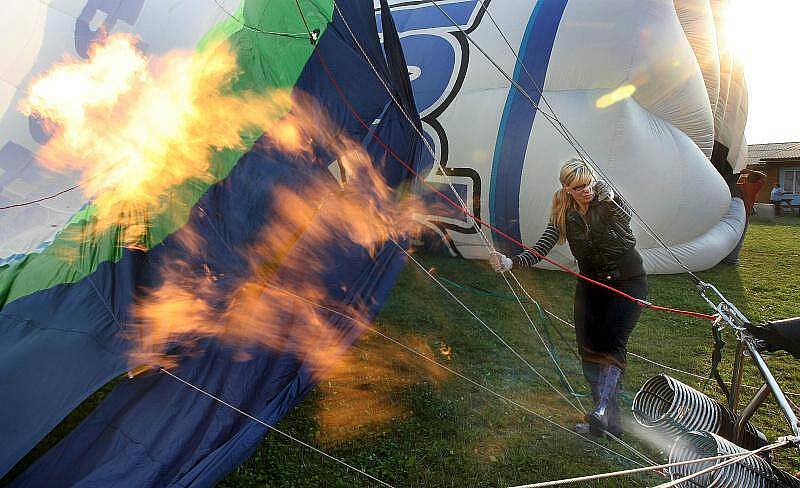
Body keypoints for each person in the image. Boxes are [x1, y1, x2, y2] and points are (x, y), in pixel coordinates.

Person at [489, 158, 647, 437]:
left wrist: (610, 200)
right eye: (577, 187)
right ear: (567, 189)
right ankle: (607, 424)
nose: (585, 191)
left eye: (587, 184)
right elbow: (542, 247)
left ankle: (601, 413)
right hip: (591, 284)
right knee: (588, 348)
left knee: (612, 342)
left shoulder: (607, 200)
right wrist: (512, 262)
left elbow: (626, 219)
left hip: (627, 281)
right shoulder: (562, 210)